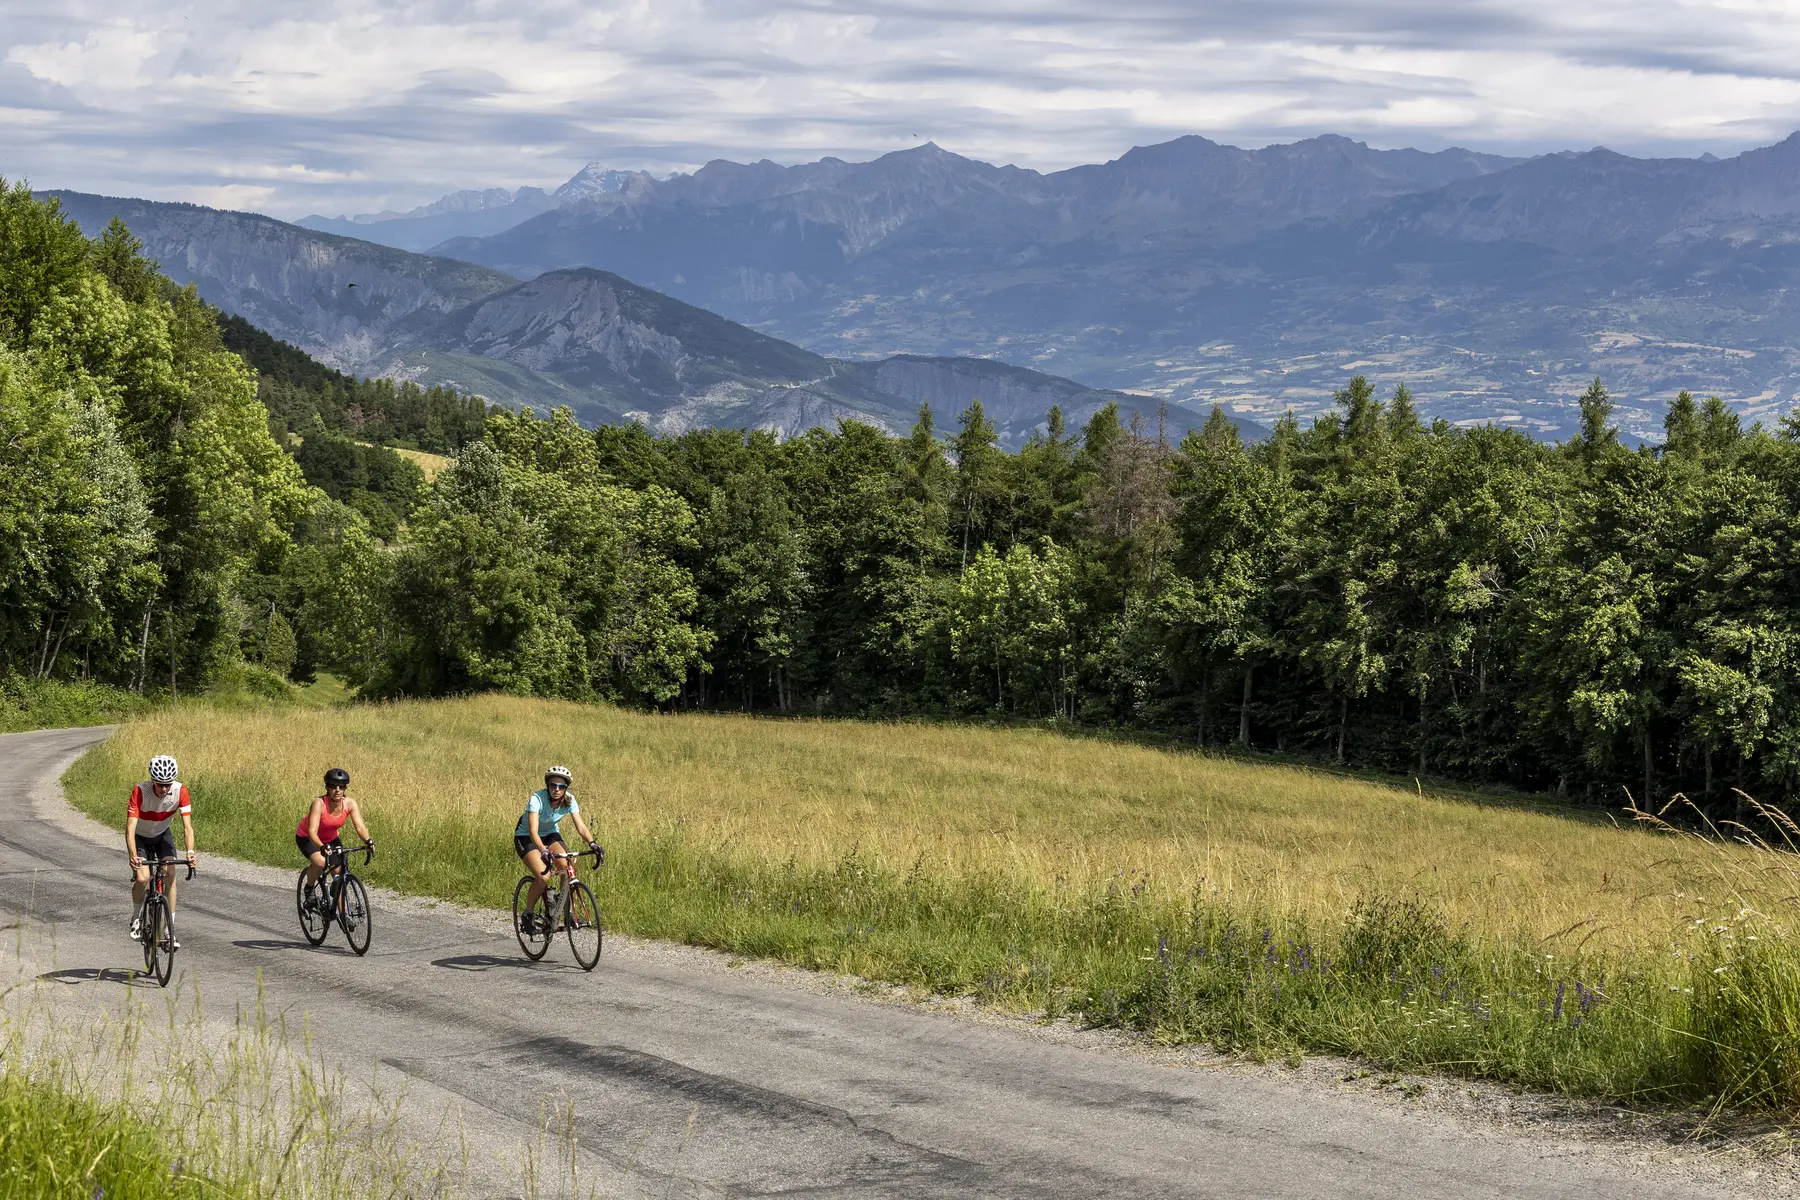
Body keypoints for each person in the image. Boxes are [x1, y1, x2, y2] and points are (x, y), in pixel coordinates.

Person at [515, 765, 598, 930]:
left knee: (568, 865)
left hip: (550, 834)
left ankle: (560, 905)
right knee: (543, 877)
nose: (557, 789)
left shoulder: (569, 800)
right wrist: (543, 850)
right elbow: (533, 831)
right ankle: (528, 915)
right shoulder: (537, 799)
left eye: (561, 786)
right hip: (527, 837)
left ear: (566, 788)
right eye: (553, 785)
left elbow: (580, 826)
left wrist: (593, 843)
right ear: (548, 784)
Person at [126, 754, 196, 945]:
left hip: (162, 835)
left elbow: (187, 827)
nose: (164, 789)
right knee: (143, 877)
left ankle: (168, 931)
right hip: (141, 837)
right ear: (152, 781)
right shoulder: (140, 791)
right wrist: (133, 855)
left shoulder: (180, 791)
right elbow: (130, 828)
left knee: (170, 874)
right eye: (159, 784)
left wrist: (190, 852)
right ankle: (137, 917)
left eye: (167, 784)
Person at [297, 767, 373, 912]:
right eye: (333, 786)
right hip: (308, 837)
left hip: (331, 838)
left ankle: (345, 915)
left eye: (341, 786)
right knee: (320, 862)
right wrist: (321, 847)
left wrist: (368, 841)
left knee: (339, 873)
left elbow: (360, 827)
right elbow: (312, 831)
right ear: (327, 787)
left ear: (345, 788)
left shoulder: (349, 804)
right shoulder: (319, 804)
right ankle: (309, 888)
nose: (337, 790)